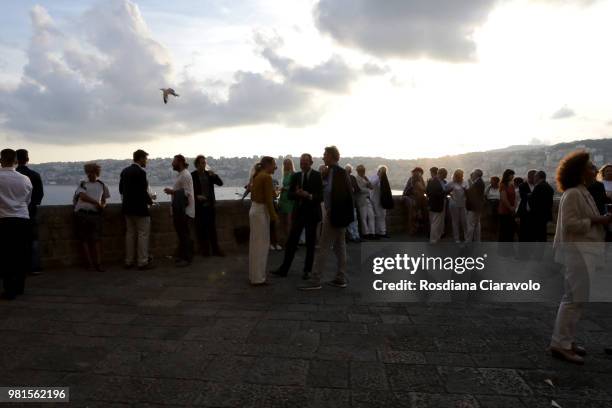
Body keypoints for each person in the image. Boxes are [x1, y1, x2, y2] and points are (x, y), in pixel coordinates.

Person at [549, 151, 611, 364]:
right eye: (591, 167)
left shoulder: (581, 191)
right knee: (573, 299)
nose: (595, 170)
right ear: (580, 171)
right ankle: (560, 343)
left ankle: (566, 339)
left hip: (583, 251)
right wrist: (598, 220)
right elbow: (571, 224)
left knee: (577, 299)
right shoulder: (574, 193)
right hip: (578, 252)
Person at [300, 146, 354, 290]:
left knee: (323, 247)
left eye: (325, 155)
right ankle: (340, 277)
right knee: (340, 247)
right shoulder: (332, 172)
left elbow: (342, 195)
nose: (323, 157)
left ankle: (316, 279)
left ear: (331, 156)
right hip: (337, 215)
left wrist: (331, 211)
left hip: (334, 215)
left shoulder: (338, 173)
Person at [271, 154, 323, 280]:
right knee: (291, 242)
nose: (303, 164)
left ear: (311, 162)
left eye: (305, 162)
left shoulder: (317, 176)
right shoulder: (296, 176)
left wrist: (308, 195)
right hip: (299, 214)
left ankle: (307, 270)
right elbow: (289, 195)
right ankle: (284, 269)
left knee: (310, 244)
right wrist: (298, 194)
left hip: (312, 214)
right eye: (301, 162)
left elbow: (320, 196)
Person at [0, 149, 32, 300]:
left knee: (6, 255)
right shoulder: (25, 179)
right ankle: (19, 287)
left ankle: (9, 289)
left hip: (4, 219)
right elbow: (27, 201)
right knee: (20, 254)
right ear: (16, 161)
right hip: (22, 220)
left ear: (1, 160)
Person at [119, 149, 154, 270]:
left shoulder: (124, 171)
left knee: (130, 235)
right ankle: (142, 261)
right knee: (143, 235)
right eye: (145, 159)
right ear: (141, 159)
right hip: (140, 209)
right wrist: (151, 201)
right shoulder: (141, 172)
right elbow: (143, 192)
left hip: (127, 208)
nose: (146, 161)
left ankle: (128, 261)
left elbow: (121, 190)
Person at [73, 163, 110, 272]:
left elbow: (104, 200)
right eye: (88, 173)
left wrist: (102, 206)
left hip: (94, 215)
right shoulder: (83, 184)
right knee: (84, 239)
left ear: (97, 173)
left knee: (96, 239)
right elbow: (82, 197)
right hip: (82, 213)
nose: (90, 175)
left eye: (92, 172)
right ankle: (89, 263)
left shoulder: (102, 185)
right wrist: (96, 203)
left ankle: (98, 263)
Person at [249, 156, 278, 285]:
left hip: (254, 209)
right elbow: (269, 200)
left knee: (255, 244)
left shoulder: (258, 175)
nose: (275, 167)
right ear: (268, 165)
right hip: (261, 212)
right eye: (274, 165)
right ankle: (258, 278)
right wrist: (274, 217)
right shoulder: (266, 177)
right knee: (261, 245)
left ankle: (254, 276)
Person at [16, 149, 44, 275]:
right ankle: (33, 267)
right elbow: (39, 196)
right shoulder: (35, 175)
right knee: (32, 240)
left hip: (9, 214)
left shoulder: (12, 175)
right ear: (27, 159)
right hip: (30, 213)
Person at [164, 154, 195, 267]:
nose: (172, 163)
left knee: (184, 235)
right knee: (182, 235)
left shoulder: (185, 175)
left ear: (180, 162)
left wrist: (172, 192)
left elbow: (187, 193)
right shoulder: (181, 175)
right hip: (180, 210)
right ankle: (183, 256)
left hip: (184, 211)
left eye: (174, 161)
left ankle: (187, 259)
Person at [191, 155, 224, 257]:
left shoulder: (209, 174)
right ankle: (205, 251)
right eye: (201, 163)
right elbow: (189, 191)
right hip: (199, 206)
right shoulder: (193, 176)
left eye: (204, 162)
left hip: (210, 205)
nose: (203, 164)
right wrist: (197, 197)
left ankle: (215, 250)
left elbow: (220, 183)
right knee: (201, 229)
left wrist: (214, 175)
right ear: (197, 164)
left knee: (212, 229)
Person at [528, 171, 554, 242]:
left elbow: (533, 202)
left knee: (538, 235)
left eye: (535, 176)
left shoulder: (538, 187)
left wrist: (529, 196)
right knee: (542, 234)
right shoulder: (549, 187)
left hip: (537, 215)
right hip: (545, 214)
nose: (534, 178)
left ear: (538, 177)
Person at [402, 167, 427, 235]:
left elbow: (422, 189)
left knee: (415, 213)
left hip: (416, 198)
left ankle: (415, 229)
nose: (420, 174)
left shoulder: (417, 178)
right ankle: (413, 230)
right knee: (413, 213)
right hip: (411, 198)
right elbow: (422, 188)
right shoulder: (415, 178)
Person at [370, 165, 393, 238]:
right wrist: (379, 178)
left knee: (383, 216)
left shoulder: (384, 179)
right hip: (375, 199)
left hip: (382, 200)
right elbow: (372, 185)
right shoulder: (374, 177)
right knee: (377, 216)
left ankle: (382, 232)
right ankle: (377, 232)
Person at [446, 169, 468, 243]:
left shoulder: (465, 182)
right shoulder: (451, 183)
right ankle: (456, 238)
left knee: (464, 221)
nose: (460, 177)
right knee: (455, 222)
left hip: (463, 204)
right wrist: (450, 195)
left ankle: (466, 237)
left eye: (461, 175)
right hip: (454, 204)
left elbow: (468, 193)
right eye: (459, 176)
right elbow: (445, 191)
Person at [355, 164, 375, 239]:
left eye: (363, 170)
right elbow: (360, 190)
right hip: (361, 200)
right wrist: (368, 190)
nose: (363, 172)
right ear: (358, 171)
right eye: (361, 170)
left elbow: (372, 187)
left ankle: (372, 233)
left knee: (371, 216)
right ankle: (365, 233)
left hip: (367, 199)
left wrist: (368, 182)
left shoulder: (365, 178)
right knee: (363, 217)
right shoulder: (357, 179)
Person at [278, 158, 296, 245]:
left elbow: (295, 187)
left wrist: (284, 188)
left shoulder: (293, 174)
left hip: (289, 200)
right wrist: (279, 199)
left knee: (289, 222)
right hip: (283, 199)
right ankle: (285, 239)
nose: (287, 165)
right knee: (283, 221)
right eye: (285, 164)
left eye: (288, 163)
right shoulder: (284, 174)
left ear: (291, 164)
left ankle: (290, 241)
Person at [426, 167, 446, 243]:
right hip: (436, 204)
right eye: (445, 175)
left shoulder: (435, 181)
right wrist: (445, 192)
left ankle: (436, 238)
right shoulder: (435, 181)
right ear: (440, 174)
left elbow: (427, 192)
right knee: (435, 223)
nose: (446, 176)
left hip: (435, 204)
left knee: (436, 222)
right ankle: (433, 240)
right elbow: (434, 193)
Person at [465, 169, 485, 242]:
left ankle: (468, 241)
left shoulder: (478, 183)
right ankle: (477, 240)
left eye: (473, 173)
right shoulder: (480, 182)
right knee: (477, 224)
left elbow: (471, 193)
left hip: (473, 207)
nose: (472, 174)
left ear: (476, 174)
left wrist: (467, 188)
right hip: (478, 207)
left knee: (471, 225)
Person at [517, 170, 537, 242]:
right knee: (523, 231)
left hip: (534, 212)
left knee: (533, 232)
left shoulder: (537, 185)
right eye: (534, 177)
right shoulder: (522, 185)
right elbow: (523, 196)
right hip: (524, 212)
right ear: (529, 177)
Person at [498, 169, 517, 242]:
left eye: (513, 174)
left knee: (510, 230)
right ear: (507, 175)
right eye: (511, 174)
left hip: (511, 210)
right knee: (504, 230)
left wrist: (514, 207)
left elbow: (514, 197)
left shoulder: (511, 185)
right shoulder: (503, 185)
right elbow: (503, 198)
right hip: (504, 210)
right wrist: (511, 207)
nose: (513, 176)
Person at [344, 164, 361, 243]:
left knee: (350, 221)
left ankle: (353, 236)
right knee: (353, 220)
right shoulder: (352, 178)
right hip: (351, 202)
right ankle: (355, 236)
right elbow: (358, 190)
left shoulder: (343, 178)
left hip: (348, 203)